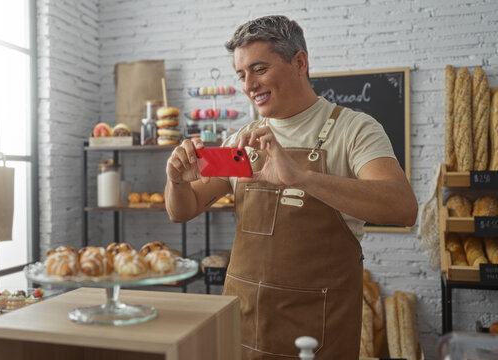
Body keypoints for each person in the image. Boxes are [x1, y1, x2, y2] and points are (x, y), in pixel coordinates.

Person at [164, 15, 417, 360]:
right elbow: (184, 208)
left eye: (259, 69)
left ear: (299, 62)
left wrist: (302, 177)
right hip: (243, 323)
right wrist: (176, 179)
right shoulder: (242, 141)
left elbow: (403, 207)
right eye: (241, 74)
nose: (249, 85)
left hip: (317, 332)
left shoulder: (354, 130)